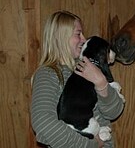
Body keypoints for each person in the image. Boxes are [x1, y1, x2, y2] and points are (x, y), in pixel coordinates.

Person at [31, 10, 124, 148]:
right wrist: (90, 144)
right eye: (78, 34)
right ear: (60, 37)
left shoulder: (88, 67)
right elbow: (44, 125)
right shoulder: (48, 74)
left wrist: (101, 84)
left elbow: (113, 112)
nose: (84, 39)